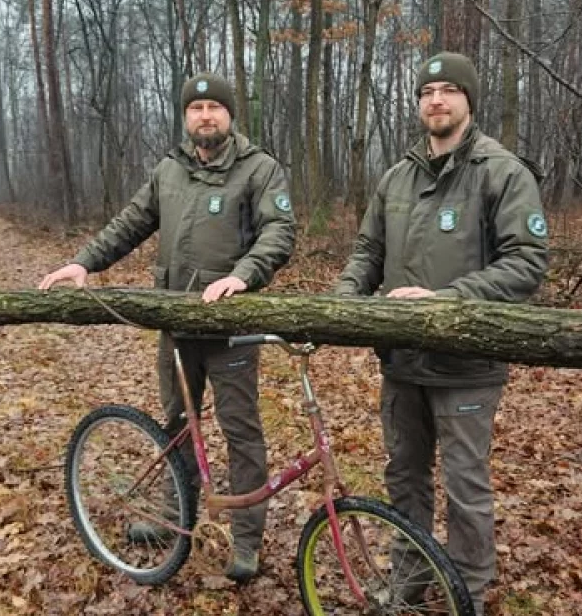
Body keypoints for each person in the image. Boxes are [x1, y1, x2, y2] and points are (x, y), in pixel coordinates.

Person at [39, 72, 296, 582]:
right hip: (175, 328)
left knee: (242, 434)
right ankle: (174, 516)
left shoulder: (259, 169)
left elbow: (280, 230)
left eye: (214, 107)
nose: (205, 116)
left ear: (229, 114)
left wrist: (243, 277)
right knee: (177, 425)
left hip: (231, 332)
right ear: (185, 117)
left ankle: (246, 540)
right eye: (196, 107)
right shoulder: (169, 170)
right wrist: (83, 263)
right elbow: (130, 223)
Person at [335, 52, 549, 613]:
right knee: (404, 478)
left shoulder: (502, 172)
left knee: (465, 487)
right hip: (401, 360)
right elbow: (368, 251)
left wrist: (448, 300)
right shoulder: (396, 177)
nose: (437, 99)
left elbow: (527, 261)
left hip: (467, 365)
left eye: (450, 89)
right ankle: (409, 577)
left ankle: (467, 592)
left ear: (469, 100)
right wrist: (343, 301)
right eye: (427, 91)